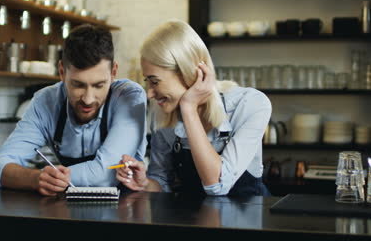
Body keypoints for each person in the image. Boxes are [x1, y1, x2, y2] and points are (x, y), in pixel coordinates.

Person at [116, 20, 272, 196]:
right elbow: (161, 182)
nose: (150, 94)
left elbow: (217, 185)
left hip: (244, 220)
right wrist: (144, 183)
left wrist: (189, 108)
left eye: (155, 82)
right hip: (192, 221)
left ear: (188, 73)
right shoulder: (163, 114)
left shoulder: (250, 104)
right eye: (148, 82)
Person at [0, 24, 147, 196]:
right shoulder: (45, 101)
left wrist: (56, 177)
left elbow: (103, 175)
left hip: (123, 216)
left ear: (114, 72)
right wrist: (36, 178)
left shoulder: (130, 97)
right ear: (62, 72)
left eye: (99, 85)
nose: (88, 98)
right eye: (78, 85)